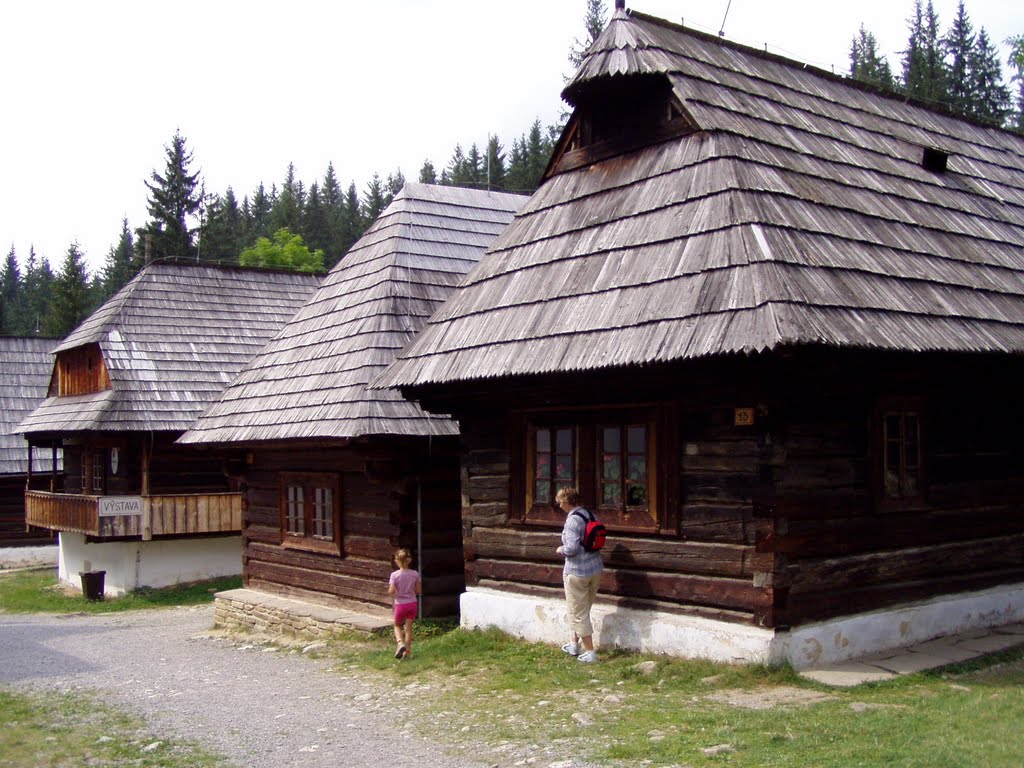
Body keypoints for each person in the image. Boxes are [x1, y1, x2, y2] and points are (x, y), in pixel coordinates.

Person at [554, 486, 603, 663]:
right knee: (582, 608)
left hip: (577, 572)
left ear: (567, 501)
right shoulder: (590, 515)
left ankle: (590, 652)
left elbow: (572, 548)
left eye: (560, 502)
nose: (559, 506)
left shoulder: (573, 521)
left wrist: (561, 550)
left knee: (578, 612)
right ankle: (573, 644)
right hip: (595, 569)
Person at [388, 548, 421, 659]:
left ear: (397, 560)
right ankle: (407, 652)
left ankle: (400, 643)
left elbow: (391, 591)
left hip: (400, 604)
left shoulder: (394, 575)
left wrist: (392, 593)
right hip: (412, 603)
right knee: (408, 628)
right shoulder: (415, 574)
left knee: (397, 625)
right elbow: (418, 591)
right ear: (409, 560)